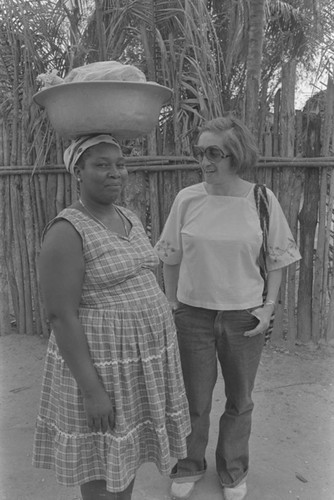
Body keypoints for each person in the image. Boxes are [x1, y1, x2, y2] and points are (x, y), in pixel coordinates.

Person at [32, 134, 191, 500]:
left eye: (119, 164)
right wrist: (93, 392)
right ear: (78, 172)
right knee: (102, 464)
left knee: (125, 456)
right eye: (101, 165)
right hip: (102, 369)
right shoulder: (67, 231)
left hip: (135, 366)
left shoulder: (126, 215)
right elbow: (60, 316)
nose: (114, 172)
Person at [155, 115, 301, 500]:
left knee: (240, 399)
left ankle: (233, 470)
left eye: (214, 153)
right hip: (193, 315)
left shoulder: (261, 200)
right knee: (194, 398)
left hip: (244, 317)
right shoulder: (187, 199)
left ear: (236, 155)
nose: (205, 161)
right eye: (200, 152)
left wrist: (268, 308)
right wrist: (172, 302)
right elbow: (169, 256)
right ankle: (188, 464)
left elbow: (277, 260)